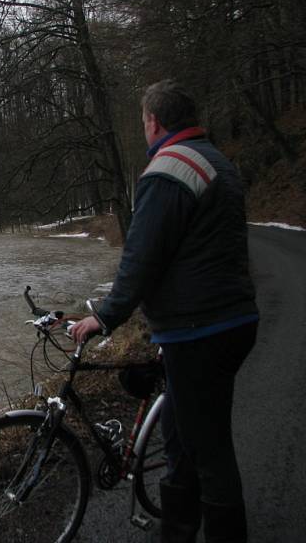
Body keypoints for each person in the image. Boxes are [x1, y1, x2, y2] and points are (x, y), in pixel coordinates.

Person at [71, 80, 258, 543]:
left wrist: (105, 316)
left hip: (200, 329)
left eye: (142, 121)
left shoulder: (168, 169)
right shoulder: (218, 162)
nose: (143, 128)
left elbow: (142, 258)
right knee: (182, 431)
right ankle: (176, 529)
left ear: (154, 121)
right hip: (231, 319)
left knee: (209, 448)